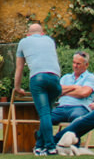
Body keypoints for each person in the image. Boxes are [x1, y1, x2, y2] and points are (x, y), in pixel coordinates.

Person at [10, 22, 64, 154]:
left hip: (38, 79)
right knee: (47, 114)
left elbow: (19, 68)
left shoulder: (24, 42)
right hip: (55, 80)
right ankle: (39, 147)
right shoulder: (50, 40)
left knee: (44, 114)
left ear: (28, 34)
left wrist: (17, 87)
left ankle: (51, 148)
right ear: (42, 34)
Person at [55, 51, 94, 127]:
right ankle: (45, 139)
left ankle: (71, 138)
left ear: (86, 65)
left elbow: (83, 93)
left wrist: (64, 92)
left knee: (77, 119)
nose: (75, 66)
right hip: (61, 107)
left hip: (79, 108)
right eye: (74, 63)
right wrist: (74, 87)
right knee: (45, 119)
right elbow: (56, 92)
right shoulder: (65, 77)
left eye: (78, 64)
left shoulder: (90, 78)